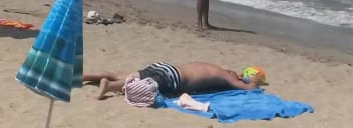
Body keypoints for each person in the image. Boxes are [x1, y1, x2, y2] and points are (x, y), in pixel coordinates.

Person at [84, 62, 265, 101]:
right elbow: (248, 89)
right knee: (138, 87)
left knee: (121, 74)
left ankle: (85, 76)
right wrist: (254, 81)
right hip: (173, 78)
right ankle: (109, 86)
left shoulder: (212, 66)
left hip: (163, 66)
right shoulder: (226, 76)